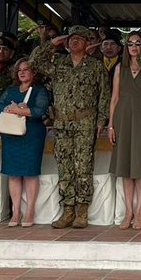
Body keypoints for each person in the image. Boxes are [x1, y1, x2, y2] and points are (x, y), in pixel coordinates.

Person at [30, 25, 110, 229]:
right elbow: (34, 62)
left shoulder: (95, 66)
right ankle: (67, 209)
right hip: (62, 122)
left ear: (87, 43)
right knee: (64, 167)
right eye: (71, 38)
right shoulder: (58, 63)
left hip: (85, 121)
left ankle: (82, 210)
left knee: (83, 166)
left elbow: (104, 95)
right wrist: (51, 43)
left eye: (79, 39)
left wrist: (101, 120)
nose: (74, 42)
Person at [108, 31, 141, 230]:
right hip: (123, 118)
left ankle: (140, 211)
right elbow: (114, 98)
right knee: (125, 168)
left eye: (138, 43)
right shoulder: (119, 69)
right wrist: (111, 125)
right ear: (126, 46)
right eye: (130, 43)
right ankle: (128, 211)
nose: (134, 46)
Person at [0, 58, 52, 228]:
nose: (22, 72)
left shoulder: (39, 90)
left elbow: (40, 110)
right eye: (19, 70)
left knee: (30, 173)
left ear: (33, 72)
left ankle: (29, 211)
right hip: (11, 134)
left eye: (26, 69)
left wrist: (21, 110)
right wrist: (8, 109)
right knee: (13, 173)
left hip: (32, 134)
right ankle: (16, 211)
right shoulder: (11, 90)